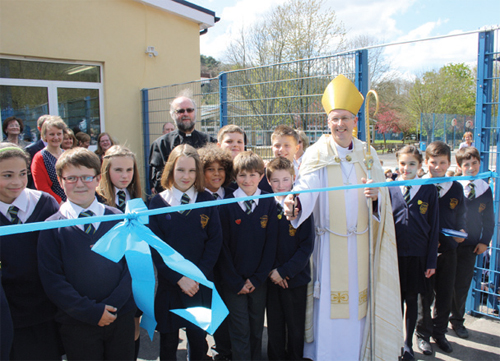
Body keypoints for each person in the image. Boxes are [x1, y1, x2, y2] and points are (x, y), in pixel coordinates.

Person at [283, 74, 401, 360]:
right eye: (335, 119)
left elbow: (382, 200)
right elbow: (306, 188)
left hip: (360, 246)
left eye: (345, 118)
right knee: (329, 310)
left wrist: (376, 199)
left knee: (358, 307)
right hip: (329, 248)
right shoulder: (315, 153)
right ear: (328, 122)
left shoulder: (367, 153)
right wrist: (295, 202)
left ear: (355, 122)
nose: (340, 125)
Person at [37, 147, 136, 360]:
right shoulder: (51, 227)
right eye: (71, 178)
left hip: (120, 316)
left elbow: (131, 265)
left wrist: (114, 305)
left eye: (86, 177)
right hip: (77, 322)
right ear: (61, 181)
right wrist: (91, 312)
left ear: (98, 179)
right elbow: (53, 279)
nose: (79, 184)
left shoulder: (118, 217)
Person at [148, 144, 222, 361]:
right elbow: (156, 248)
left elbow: (214, 242)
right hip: (171, 286)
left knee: (198, 341)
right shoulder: (157, 203)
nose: (186, 176)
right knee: (169, 342)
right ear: (171, 170)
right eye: (180, 170)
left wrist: (196, 277)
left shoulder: (207, 200)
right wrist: (179, 278)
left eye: (191, 171)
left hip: (199, 284)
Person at [0, 143, 62, 360]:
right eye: (7, 175)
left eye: (22, 174)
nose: (16, 182)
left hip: (44, 308)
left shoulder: (44, 204)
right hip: (7, 311)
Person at [217, 151, 278, 360]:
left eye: (253, 174)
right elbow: (222, 248)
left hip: (258, 281)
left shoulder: (269, 203)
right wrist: (235, 281)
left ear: (262, 176)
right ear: (235, 177)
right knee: (239, 328)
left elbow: (271, 245)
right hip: (233, 282)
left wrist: (258, 278)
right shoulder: (225, 204)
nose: (248, 180)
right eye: (242, 175)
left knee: (256, 328)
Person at [388, 145, 439, 361]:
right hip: (395, 256)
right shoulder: (390, 189)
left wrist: (431, 261)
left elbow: (434, 226)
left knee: (412, 299)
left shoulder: (428, 190)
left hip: (418, 256)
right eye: (402, 163)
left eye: (411, 164)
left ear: (420, 166)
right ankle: (393, 342)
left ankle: (408, 344)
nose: (406, 168)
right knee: (394, 301)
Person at [416, 141, 467, 355]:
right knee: (424, 296)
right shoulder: (419, 185)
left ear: (449, 163)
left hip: (448, 250)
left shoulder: (455, 186)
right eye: (433, 162)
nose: (437, 167)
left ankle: (440, 333)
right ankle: (423, 335)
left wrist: (462, 231)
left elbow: (461, 215)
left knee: (445, 294)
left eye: (442, 163)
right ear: (426, 162)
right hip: (425, 252)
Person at [265, 157, 314, 361]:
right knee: (275, 328)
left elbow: (306, 246)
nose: (281, 185)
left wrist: (284, 272)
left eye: (285, 179)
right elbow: (263, 245)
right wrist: (273, 273)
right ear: (268, 182)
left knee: (295, 328)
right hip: (271, 279)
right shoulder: (264, 206)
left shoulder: (301, 206)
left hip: (295, 279)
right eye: (275, 180)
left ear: (294, 178)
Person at [450, 147, 494, 338]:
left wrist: (484, 241)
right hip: (450, 244)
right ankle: (438, 321)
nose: (471, 167)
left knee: (462, 285)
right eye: (466, 164)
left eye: (474, 163)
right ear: (459, 166)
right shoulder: (452, 185)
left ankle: (457, 321)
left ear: (479, 164)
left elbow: (489, 219)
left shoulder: (484, 188)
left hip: (471, 246)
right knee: (442, 284)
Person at [197, 144, 234, 361]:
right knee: (206, 310)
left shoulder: (233, 193)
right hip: (206, 264)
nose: (217, 174)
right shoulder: (197, 197)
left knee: (227, 310)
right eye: (210, 169)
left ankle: (226, 350)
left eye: (221, 169)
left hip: (231, 263)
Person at [149, 93, 216, 193]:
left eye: (189, 110)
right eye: (180, 111)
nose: (185, 114)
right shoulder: (160, 144)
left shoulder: (210, 142)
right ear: (172, 115)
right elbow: (158, 181)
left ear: (195, 113)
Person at [31, 116, 67, 203]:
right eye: (52, 134)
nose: (56, 137)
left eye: (59, 134)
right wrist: (60, 203)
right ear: (44, 136)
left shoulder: (67, 154)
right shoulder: (39, 157)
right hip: (52, 204)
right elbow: (42, 187)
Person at [97, 145, 142, 213]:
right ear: (106, 170)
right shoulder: (96, 198)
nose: (125, 176)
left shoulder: (134, 195)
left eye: (129, 170)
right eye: (118, 170)